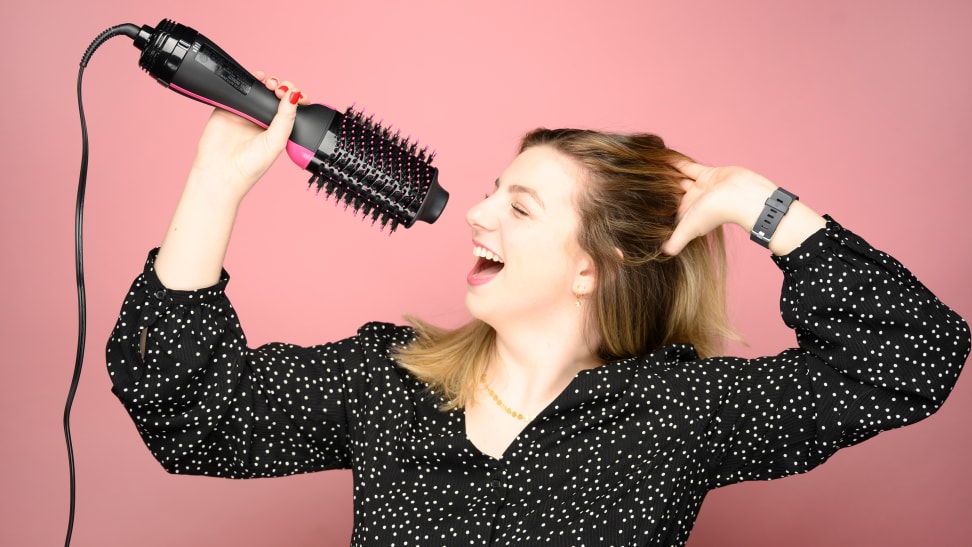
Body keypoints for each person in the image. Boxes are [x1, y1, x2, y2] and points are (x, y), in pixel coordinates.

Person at [106, 75, 970, 546]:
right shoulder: (390, 378)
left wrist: (753, 201)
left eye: (519, 208)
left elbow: (913, 353)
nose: (476, 215)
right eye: (491, 193)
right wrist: (214, 187)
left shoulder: (678, 414)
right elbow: (192, 418)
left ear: (595, 269)